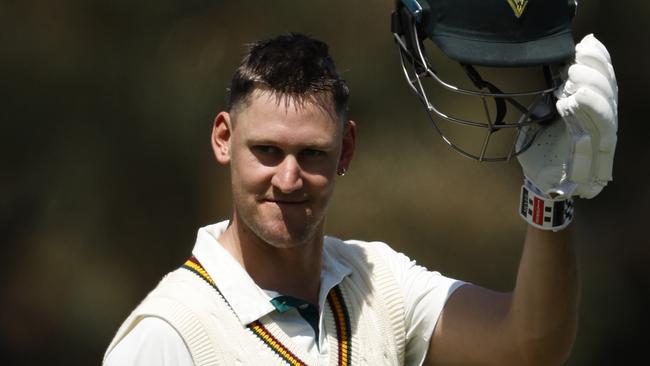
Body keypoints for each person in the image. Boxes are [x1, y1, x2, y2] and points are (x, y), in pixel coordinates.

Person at [103, 4, 618, 366]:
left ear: (345, 149)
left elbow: (531, 345)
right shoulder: (169, 336)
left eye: (312, 154)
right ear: (223, 139)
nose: (287, 178)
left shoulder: (378, 284)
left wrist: (551, 198)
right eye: (266, 151)